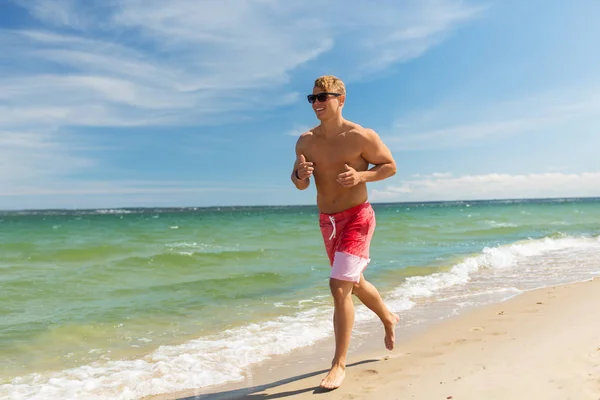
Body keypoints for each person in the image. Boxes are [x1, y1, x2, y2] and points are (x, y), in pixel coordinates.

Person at [291, 75, 400, 390]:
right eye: (312, 98)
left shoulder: (361, 136)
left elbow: (390, 166)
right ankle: (388, 317)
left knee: (339, 286)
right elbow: (299, 183)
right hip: (328, 221)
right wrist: (299, 174)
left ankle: (338, 365)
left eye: (323, 97)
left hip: (357, 218)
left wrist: (362, 177)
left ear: (341, 99)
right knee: (353, 284)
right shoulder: (305, 141)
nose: (317, 104)